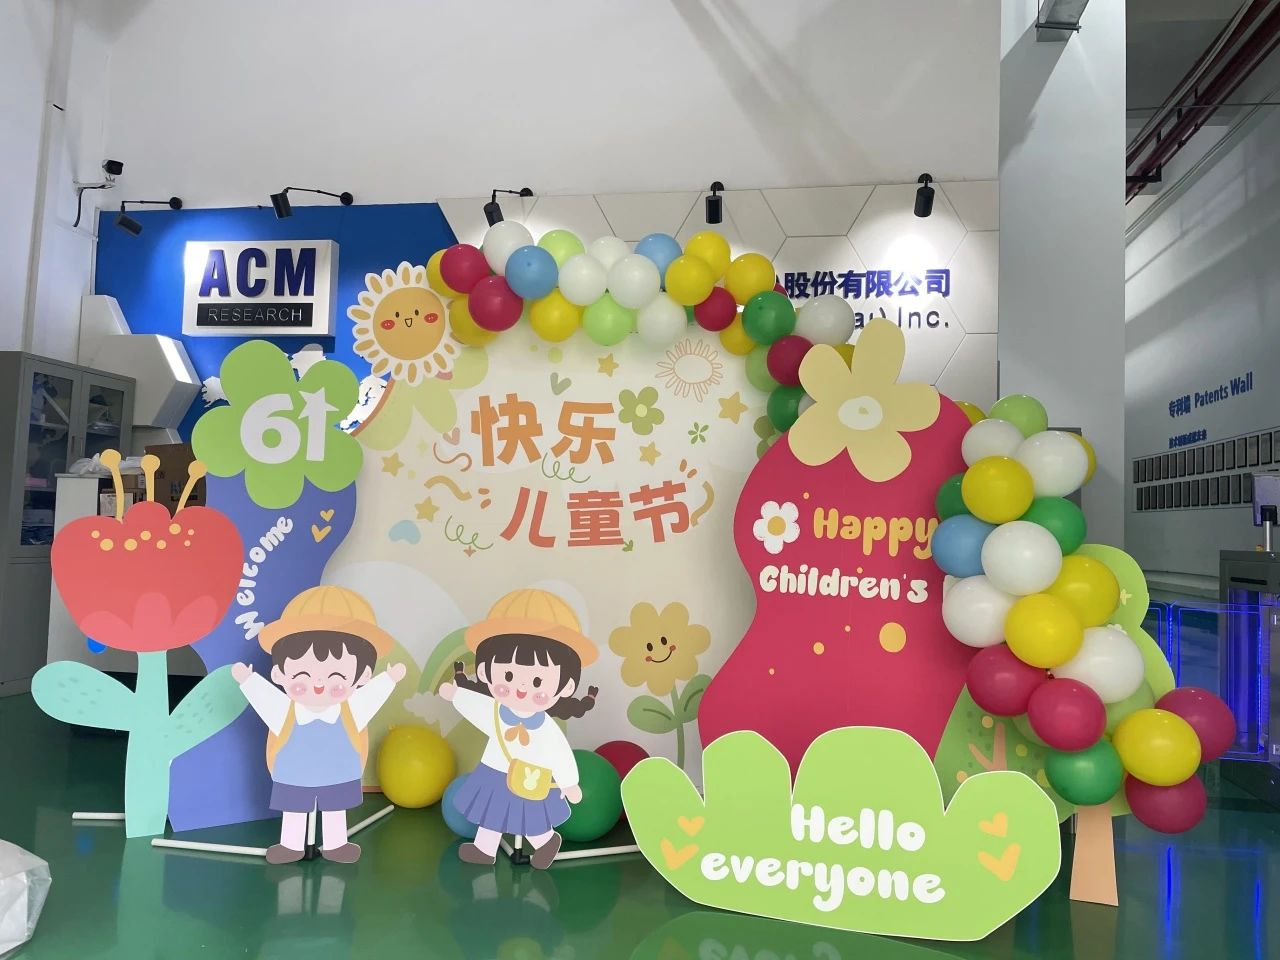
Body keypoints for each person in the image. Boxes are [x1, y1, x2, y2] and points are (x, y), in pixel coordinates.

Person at [233, 585, 406, 864]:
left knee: (335, 809)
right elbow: (265, 699)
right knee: (294, 810)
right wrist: (249, 681)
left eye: (336, 677)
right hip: (294, 775)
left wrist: (388, 680)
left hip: (338, 774)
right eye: (302, 674)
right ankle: (291, 845)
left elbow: (371, 697)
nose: (318, 683)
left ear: (362, 676)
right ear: (279, 673)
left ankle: (336, 844)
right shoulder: (285, 710)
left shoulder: (351, 710)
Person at [439, 588, 599, 869]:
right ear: (486, 672)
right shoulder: (494, 711)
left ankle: (546, 841)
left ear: (566, 686)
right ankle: (484, 850)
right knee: (490, 814)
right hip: (493, 772)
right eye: (509, 675)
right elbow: (476, 708)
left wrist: (568, 782)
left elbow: (560, 752)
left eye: (538, 681)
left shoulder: (546, 726)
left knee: (530, 818)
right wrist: (456, 695)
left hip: (529, 777)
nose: (522, 687)